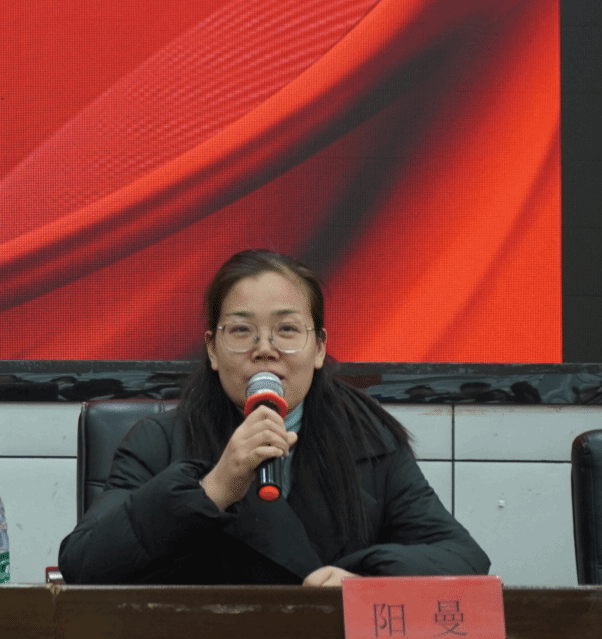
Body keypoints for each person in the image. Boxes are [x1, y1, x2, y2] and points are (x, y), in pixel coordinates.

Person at [58, 249, 488, 585]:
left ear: (319, 348)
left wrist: (360, 577)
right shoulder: (157, 442)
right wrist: (213, 489)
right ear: (212, 350)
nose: (265, 349)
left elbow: (461, 557)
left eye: (286, 330)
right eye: (241, 331)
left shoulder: (368, 439)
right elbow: (84, 564)